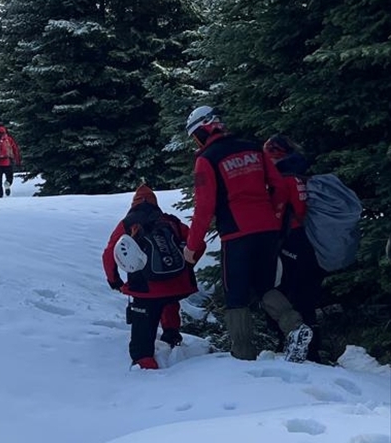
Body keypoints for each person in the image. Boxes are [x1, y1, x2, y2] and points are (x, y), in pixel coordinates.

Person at [184, 106, 311, 362]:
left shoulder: (207, 159)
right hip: (268, 231)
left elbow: (204, 208)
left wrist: (192, 247)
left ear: (202, 130)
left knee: (237, 296)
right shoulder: (253, 148)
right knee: (265, 285)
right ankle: (296, 327)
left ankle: (242, 356)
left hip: (236, 234)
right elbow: (279, 187)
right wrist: (272, 216)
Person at [102, 184, 198, 369]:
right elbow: (197, 243)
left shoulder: (128, 224)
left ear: (134, 203)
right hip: (177, 286)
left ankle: (144, 363)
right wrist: (186, 266)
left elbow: (109, 254)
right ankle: (172, 337)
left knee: (143, 323)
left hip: (144, 289)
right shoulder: (171, 221)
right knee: (169, 302)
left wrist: (115, 281)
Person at [263, 133, 325, 362]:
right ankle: (313, 348)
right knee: (306, 293)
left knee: (285, 291)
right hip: (308, 240)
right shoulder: (302, 173)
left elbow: (283, 212)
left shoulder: (282, 178)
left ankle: (296, 344)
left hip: (290, 240)